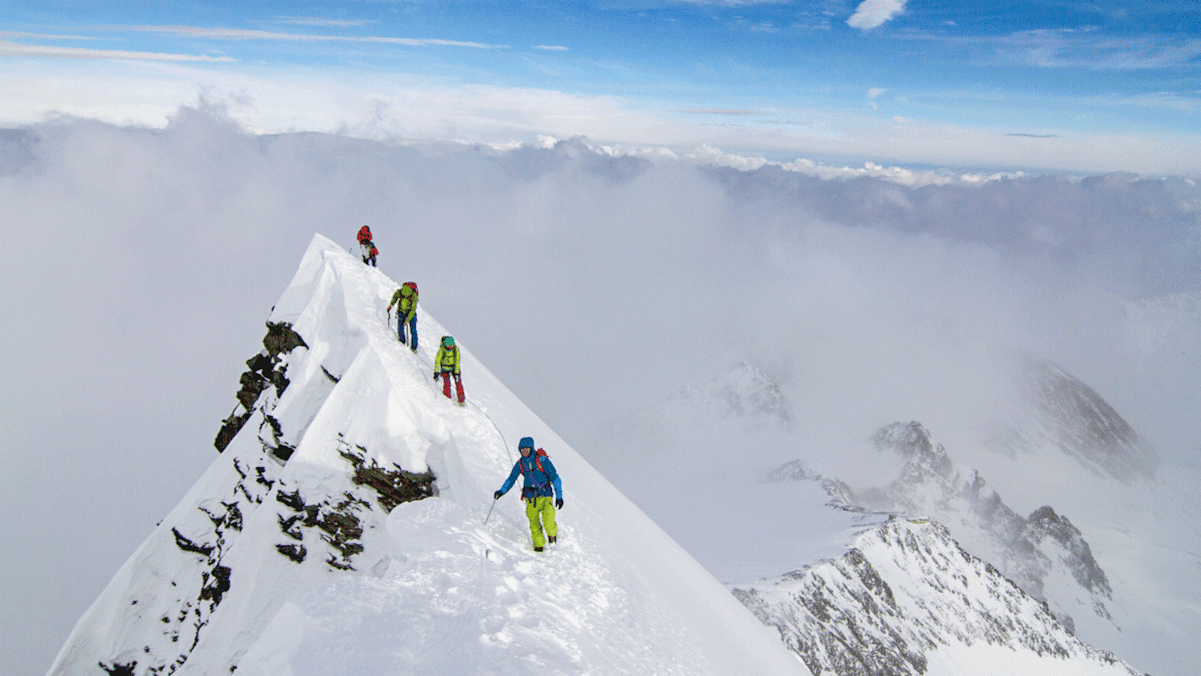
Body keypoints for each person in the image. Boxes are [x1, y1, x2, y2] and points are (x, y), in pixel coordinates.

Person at [494, 437, 563, 552]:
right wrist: (502, 491)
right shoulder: (520, 464)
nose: (524, 451)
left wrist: (559, 496)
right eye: (521, 449)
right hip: (530, 498)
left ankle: (552, 535)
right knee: (533, 522)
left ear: (531, 449)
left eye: (526, 449)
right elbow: (511, 478)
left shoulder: (542, 461)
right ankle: (539, 546)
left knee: (548, 519)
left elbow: (555, 478)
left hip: (545, 495)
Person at [433, 336, 466, 405]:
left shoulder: (455, 350)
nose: (451, 346)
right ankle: (447, 396)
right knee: (447, 383)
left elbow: (457, 361)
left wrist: (456, 373)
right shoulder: (441, 350)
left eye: (453, 345)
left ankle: (461, 400)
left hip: (454, 368)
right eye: (450, 345)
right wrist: (436, 372)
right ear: (446, 344)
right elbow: (437, 361)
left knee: (458, 383)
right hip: (445, 368)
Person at [386, 282, 418, 352]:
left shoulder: (414, 296)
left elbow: (412, 310)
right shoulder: (399, 292)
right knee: (400, 328)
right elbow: (394, 298)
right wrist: (390, 305)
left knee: (413, 331)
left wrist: (407, 321)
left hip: (411, 314)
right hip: (401, 312)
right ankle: (401, 341)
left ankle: (414, 347)